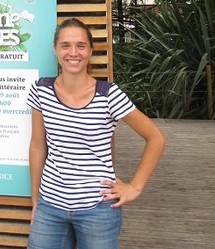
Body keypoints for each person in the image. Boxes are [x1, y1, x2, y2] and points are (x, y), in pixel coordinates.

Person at [27, 18, 165, 249]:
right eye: (65, 45)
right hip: (49, 206)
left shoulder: (109, 95)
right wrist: (35, 201)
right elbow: (38, 146)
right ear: (55, 49)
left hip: (98, 209)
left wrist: (134, 187)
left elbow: (156, 138)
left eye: (81, 45)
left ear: (90, 50)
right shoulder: (41, 90)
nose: (73, 52)